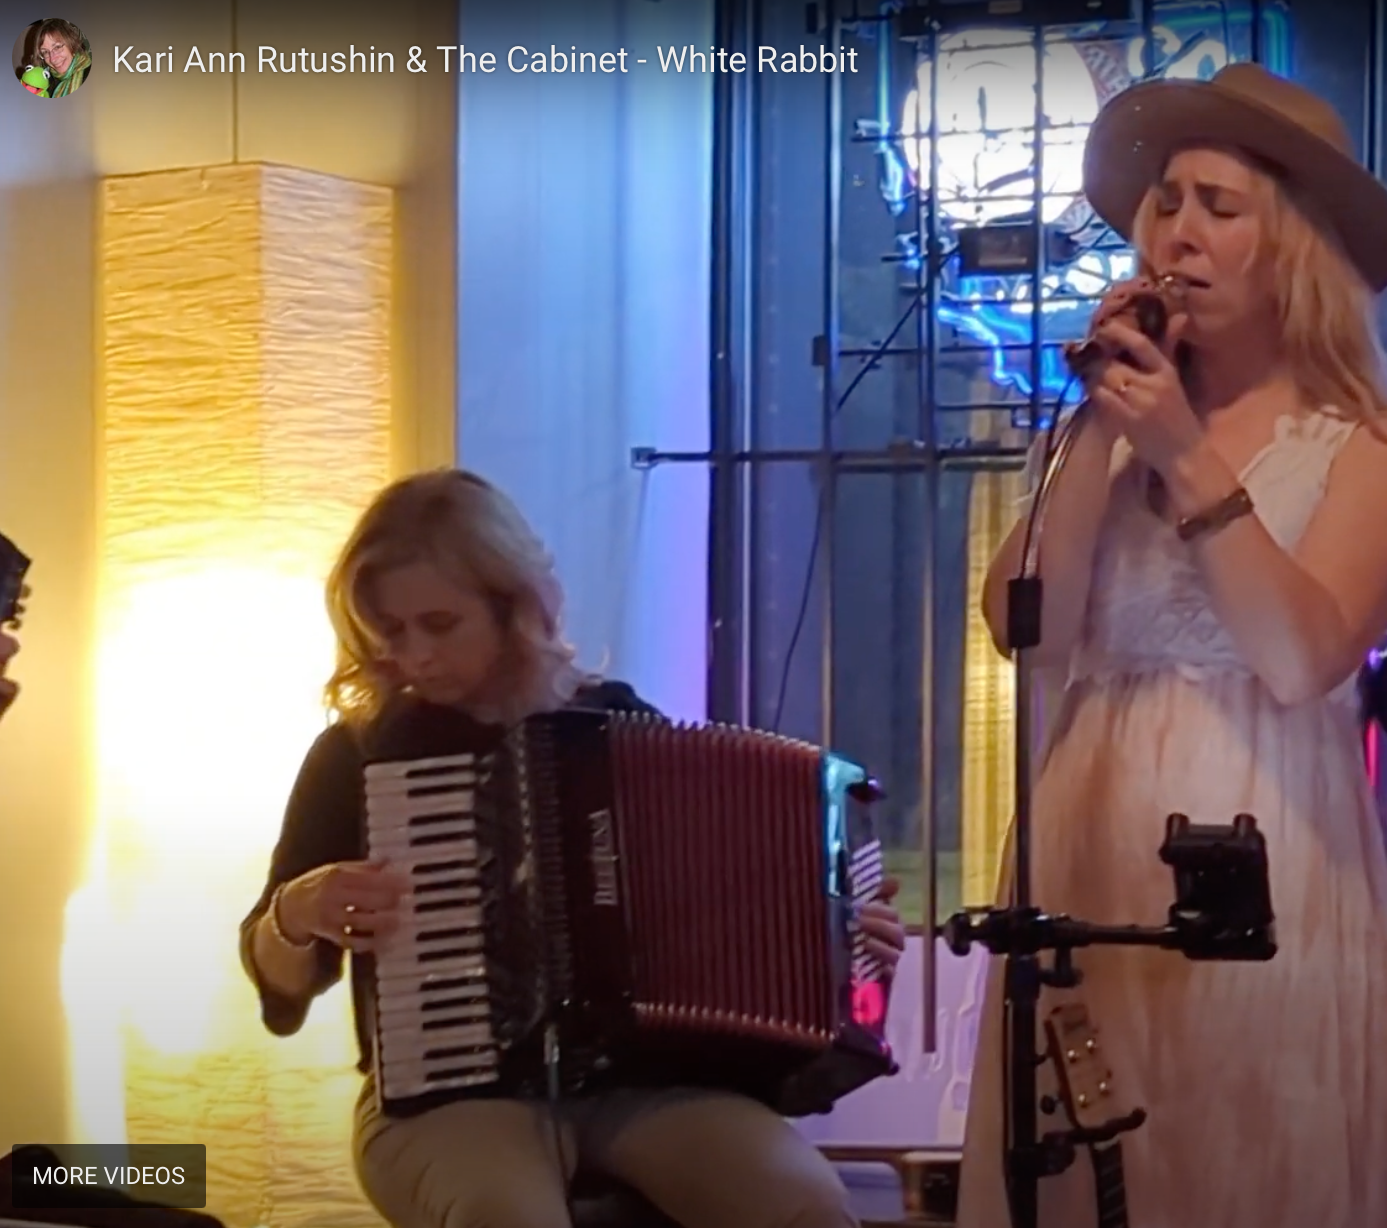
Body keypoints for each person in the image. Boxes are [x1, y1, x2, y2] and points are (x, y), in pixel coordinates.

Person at [962, 62, 1387, 1228]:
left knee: (1237, 1152)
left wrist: (1185, 455)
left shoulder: (1372, 445)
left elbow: (1300, 655)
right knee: (1081, 1161)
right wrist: (1098, 424)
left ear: (1293, 251)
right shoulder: (1109, 427)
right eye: (1166, 201)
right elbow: (1022, 622)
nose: (1177, 232)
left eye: (1218, 207)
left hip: (1260, 848)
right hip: (1088, 838)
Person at [237, 468, 905, 1228]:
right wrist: (295, 914)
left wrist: (844, 942)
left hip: (645, 1084)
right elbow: (280, 988)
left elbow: (729, 906)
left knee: (805, 1205)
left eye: (440, 623)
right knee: (506, 1216)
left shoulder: (619, 727)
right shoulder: (359, 754)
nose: (414, 654)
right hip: (449, 1095)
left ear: (514, 606)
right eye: (390, 630)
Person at [18, 18, 88, 98]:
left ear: (71, 43)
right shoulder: (45, 81)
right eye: (45, 52)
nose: (52, 59)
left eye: (57, 47)